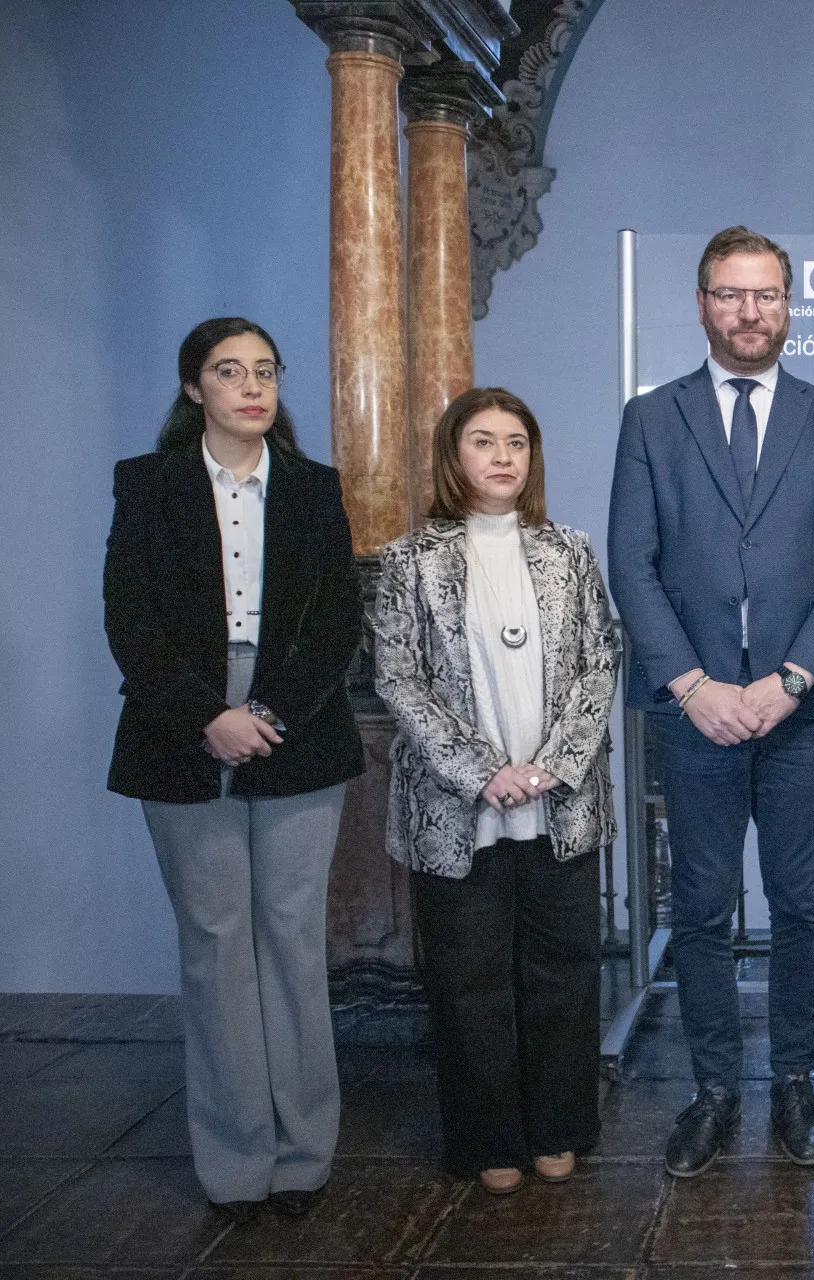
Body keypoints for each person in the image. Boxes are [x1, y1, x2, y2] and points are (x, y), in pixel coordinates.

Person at [608, 226, 814, 1178]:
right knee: (704, 906)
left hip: (800, 709)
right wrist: (692, 685)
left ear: (789, 304)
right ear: (701, 304)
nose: (750, 311)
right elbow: (631, 566)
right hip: (697, 712)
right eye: (731, 294)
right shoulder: (653, 420)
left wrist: (791, 678)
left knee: (804, 904)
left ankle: (796, 1081)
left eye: (766, 294)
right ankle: (714, 1088)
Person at [105, 317, 363, 1221]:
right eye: (228, 371)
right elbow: (129, 625)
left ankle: (302, 1155)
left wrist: (263, 714)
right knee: (216, 949)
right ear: (194, 389)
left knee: (290, 941)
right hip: (182, 723)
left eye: (265, 370)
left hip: (296, 718)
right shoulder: (146, 488)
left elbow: (337, 626)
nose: (251, 386)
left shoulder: (314, 488)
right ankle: (234, 1160)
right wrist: (208, 718)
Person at [375, 387, 619, 1195]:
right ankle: (489, 1141)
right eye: (484, 441)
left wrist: (547, 766)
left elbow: (600, 662)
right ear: (454, 456)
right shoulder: (411, 559)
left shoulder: (569, 552)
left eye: (517, 442)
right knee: (470, 980)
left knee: (562, 971)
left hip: (559, 804)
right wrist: (485, 771)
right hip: (458, 811)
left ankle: (558, 1129)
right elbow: (400, 681)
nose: (504, 456)